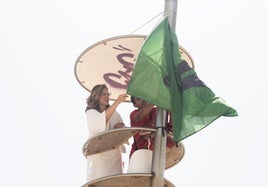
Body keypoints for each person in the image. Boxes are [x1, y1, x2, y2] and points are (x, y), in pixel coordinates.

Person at [85, 84, 128, 182]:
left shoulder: (115, 114)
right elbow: (99, 124)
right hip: (99, 152)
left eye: (107, 94)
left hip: (114, 154)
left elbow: (122, 130)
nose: (106, 96)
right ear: (96, 96)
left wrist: (120, 128)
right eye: (103, 94)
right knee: (99, 179)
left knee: (114, 181)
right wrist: (117, 102)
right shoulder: (91, 112)